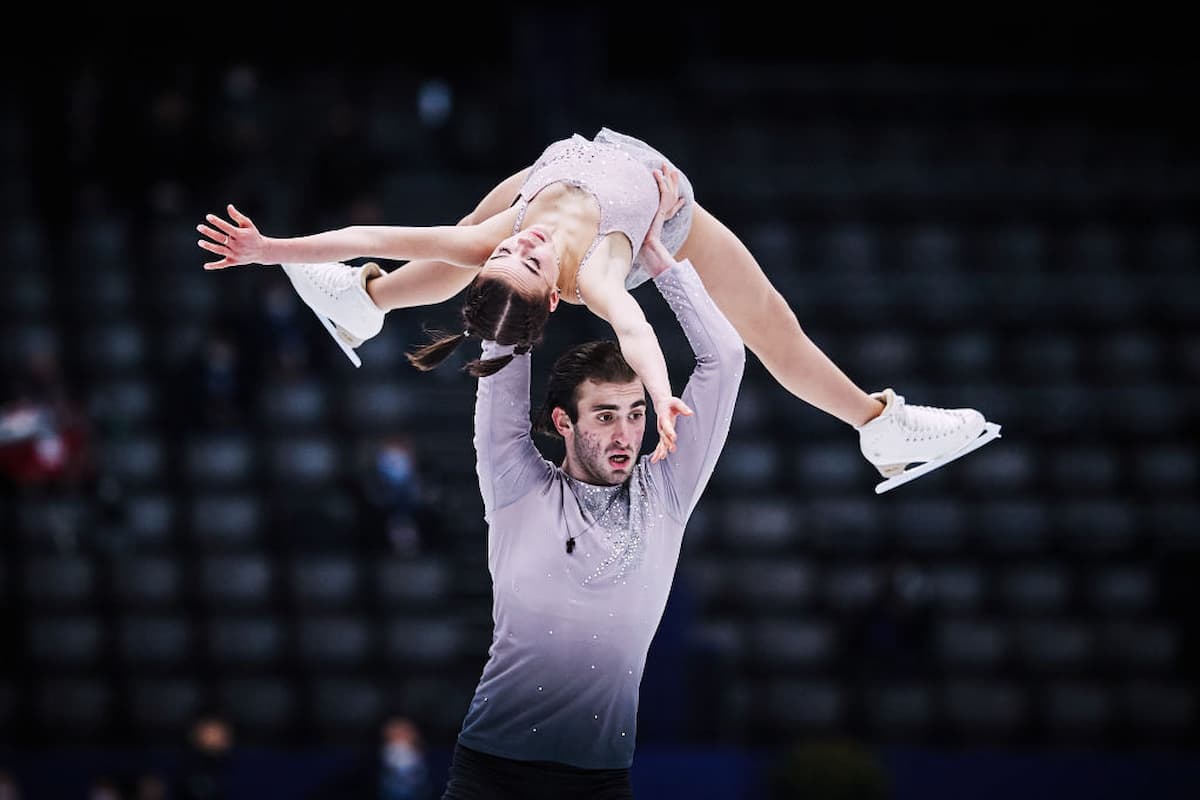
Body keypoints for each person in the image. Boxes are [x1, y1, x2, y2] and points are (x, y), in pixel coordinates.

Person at [198, 127, 997, 492]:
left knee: (453, 248)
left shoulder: (506, 234)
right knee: (773, 328)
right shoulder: (602, 270)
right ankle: (880, 428)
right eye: (533, 258)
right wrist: (659, 401)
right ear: (556, 290)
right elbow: (637, 330)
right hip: (662, 214)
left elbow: (372, 228)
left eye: (515, 253)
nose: (528, 243)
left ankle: (365, 301)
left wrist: (270, 250)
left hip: (563, 171)